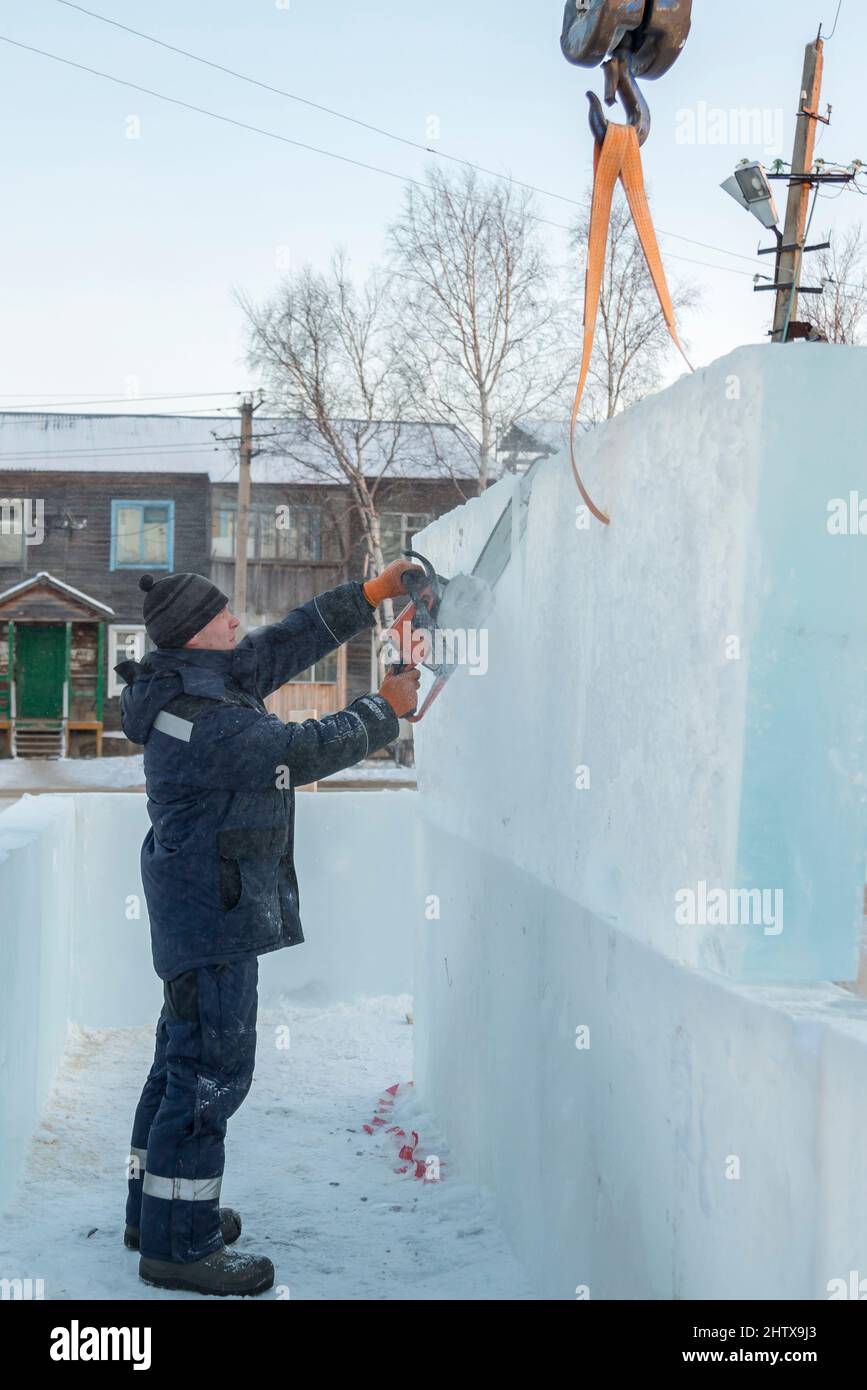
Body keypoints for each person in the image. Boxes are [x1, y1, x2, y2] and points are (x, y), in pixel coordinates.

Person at [114, 561, 422, 1296]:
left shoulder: (202, 674)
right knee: (209, 1073)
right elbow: (294, 752)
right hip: (211, 910)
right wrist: (382, 709)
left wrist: (369, 596)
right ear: (196, 632)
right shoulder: (200, 714)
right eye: (223, 617)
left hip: (202, 903)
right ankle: (179, 1246)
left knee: (179, 1060)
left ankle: (152, 1217)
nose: (236, 624)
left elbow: (282, 643)